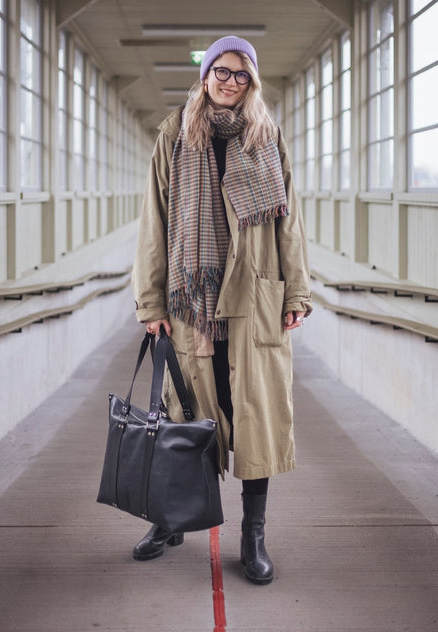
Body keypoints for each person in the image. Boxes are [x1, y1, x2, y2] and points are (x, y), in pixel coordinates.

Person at [131, 35, 312, 585]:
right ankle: (171, 518)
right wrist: (151, 300)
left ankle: (253, 535)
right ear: (206, 74)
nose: (230, 82)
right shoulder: (174, 134)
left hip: (253, 299)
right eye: (222, 71)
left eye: (241, 74)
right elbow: (154, 222)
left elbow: (288, 221)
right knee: (188, 415)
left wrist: (296, 292)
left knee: (254, 417)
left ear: (251, 81)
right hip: (194, 303)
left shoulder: (266, 136)